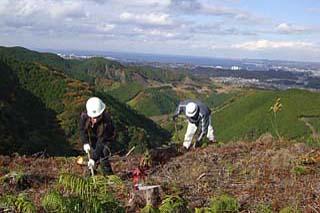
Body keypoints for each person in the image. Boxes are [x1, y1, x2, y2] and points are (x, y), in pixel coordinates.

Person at [80, 97, 115, 175]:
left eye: (97, 117)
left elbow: (101, 141)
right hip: (93, 136)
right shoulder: (84, 116)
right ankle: (92, 174)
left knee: (103, 154)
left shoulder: (107, 122)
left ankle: (109, 176)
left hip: (106, 138)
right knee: (93, 152)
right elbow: (82, 130)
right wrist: (85, 142)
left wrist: (93, 159)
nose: (95, 120)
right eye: (93, 117)